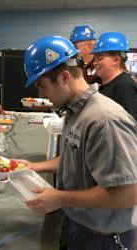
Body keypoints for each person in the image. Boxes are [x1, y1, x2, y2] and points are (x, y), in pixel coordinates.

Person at [19, 36, 137, 250]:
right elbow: (77, 157)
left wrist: (61, 198)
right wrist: (33, 166)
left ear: (65, 77)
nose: (41, 94)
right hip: (78, 225)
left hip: (103, 239)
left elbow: (128, 193)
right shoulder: (75, 110)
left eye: (42, 86)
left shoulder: (105, 119)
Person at [91, 31, 137, 121]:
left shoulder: (125, 86)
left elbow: (130, 126)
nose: (94, 63)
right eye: (94, 59)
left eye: (100, 59)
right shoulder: (96, 82)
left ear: (116, 60)